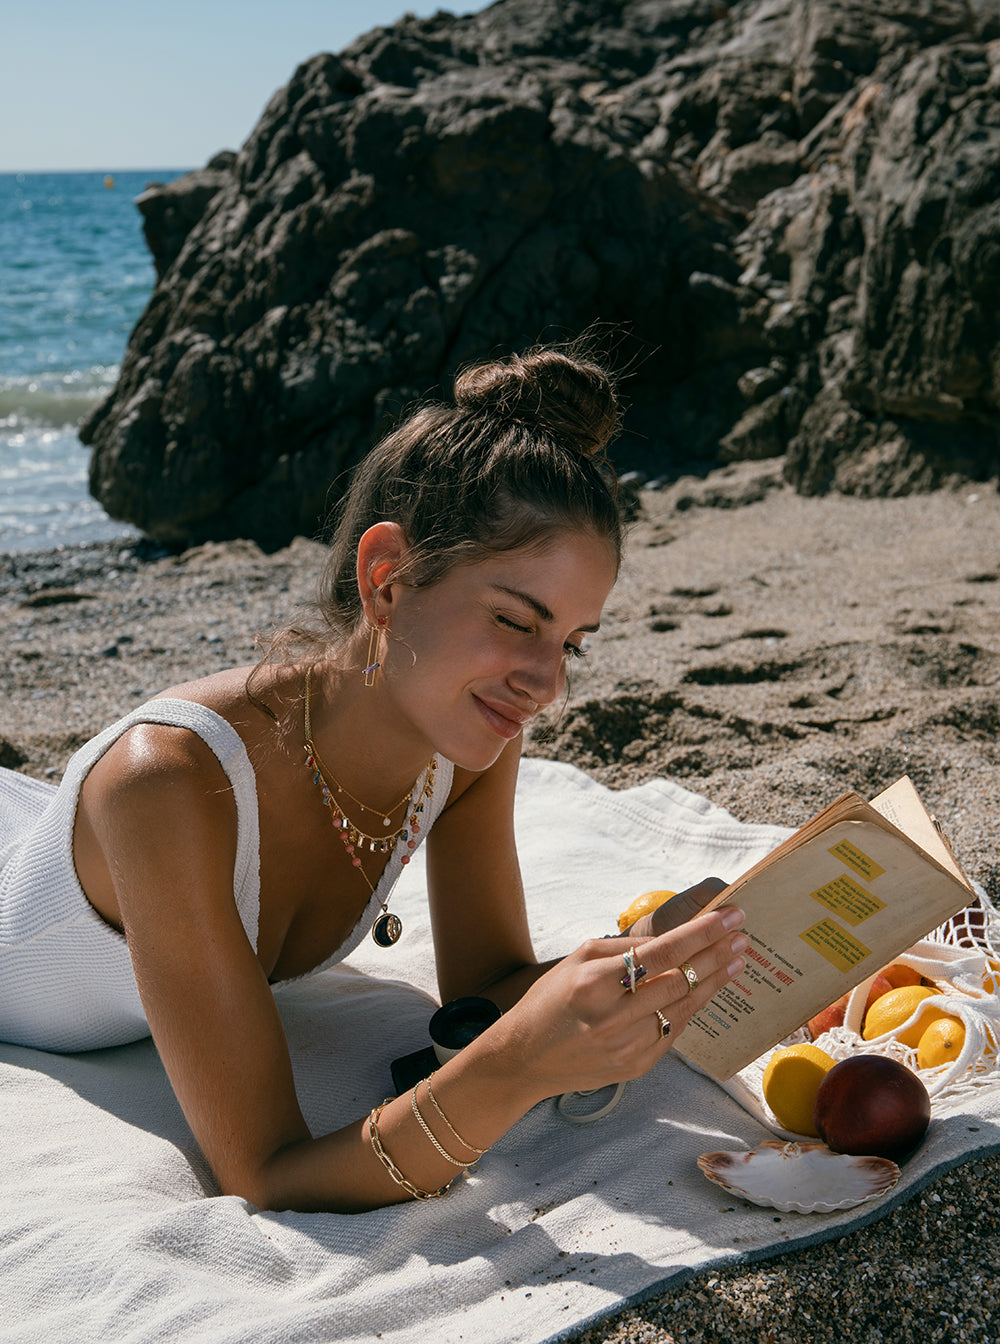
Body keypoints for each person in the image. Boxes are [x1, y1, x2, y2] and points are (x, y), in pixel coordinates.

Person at [0, 344, 749, 1213]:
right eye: (515, 619)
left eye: (571, 643)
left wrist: (655, 956)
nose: (546, 685)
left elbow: (485, 986)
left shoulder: (467, 745)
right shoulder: (164, 784)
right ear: (386, 578)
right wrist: (514, 1067)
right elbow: (268, 1173)